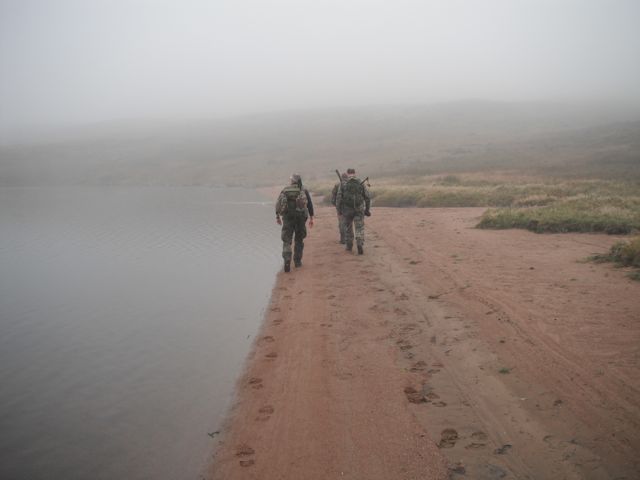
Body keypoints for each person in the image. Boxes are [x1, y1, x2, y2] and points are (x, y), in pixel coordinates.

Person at [275, 174, 314, 272]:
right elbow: (309, 204)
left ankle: (287, 259)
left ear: (292, 181)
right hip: (300, 218)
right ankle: (297, 262)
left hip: (288, 218)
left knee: (287, 239)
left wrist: (277, 217)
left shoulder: (285, 190)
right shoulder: (303, 190)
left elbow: (278, 204)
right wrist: (311, 218)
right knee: (299, 239)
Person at [336, 168, 371, 255]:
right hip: (359, 209)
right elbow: (367, 197)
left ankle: (349, 246)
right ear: (355, 173)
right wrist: (367, 210)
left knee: (348, 228)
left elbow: (338, 198)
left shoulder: (343, 183)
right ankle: (359, 242)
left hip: (347, 210)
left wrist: (339, 210)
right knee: (359, 227)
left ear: (347, 174)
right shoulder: (360, 182)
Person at [331, 172, 348, 244]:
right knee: (349, 223)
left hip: (341, 207)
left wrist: (336, 206)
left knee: (341, 223)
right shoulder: (350, 184)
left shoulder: (337, 185)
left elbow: (333, 197)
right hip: (350, 207)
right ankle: (349, 239)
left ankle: (343, 239)